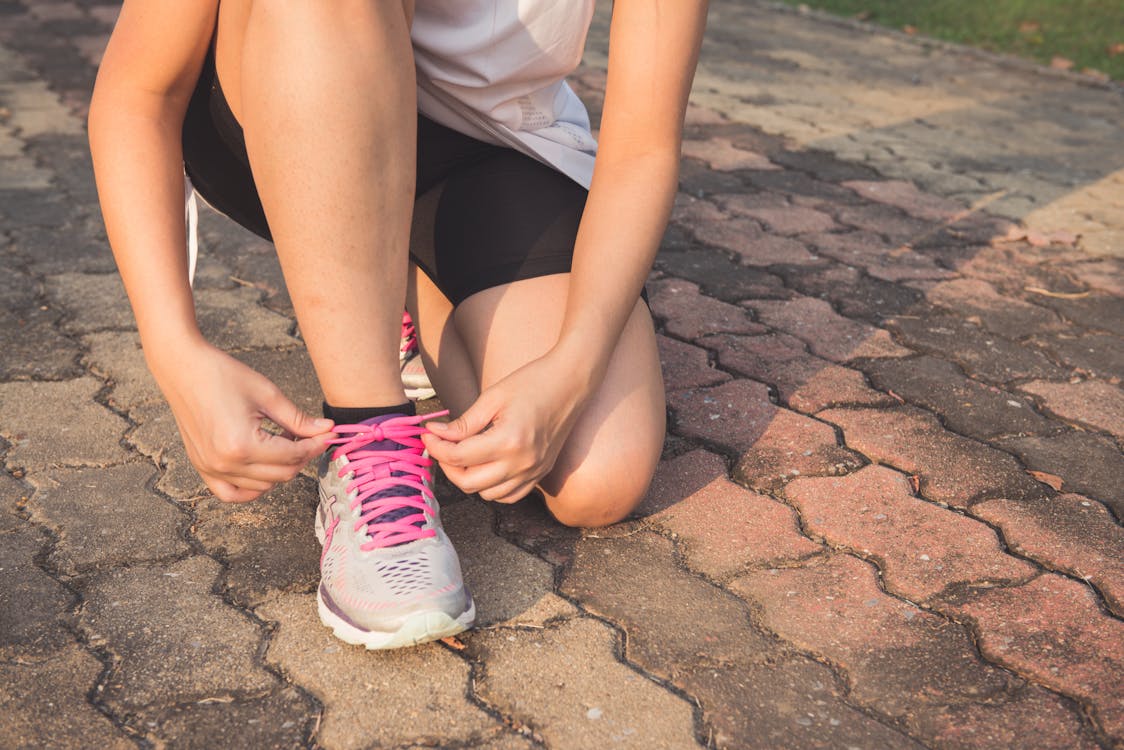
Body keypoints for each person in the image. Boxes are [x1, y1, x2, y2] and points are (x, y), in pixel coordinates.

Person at [88, 0, 708, 649]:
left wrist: (572, 368)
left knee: (595, 475)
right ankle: (369, 434)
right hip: (287, 82)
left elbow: (643, 146)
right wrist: (174, 349)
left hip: (494, 143)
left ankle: (383, 287)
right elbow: (137, 93)